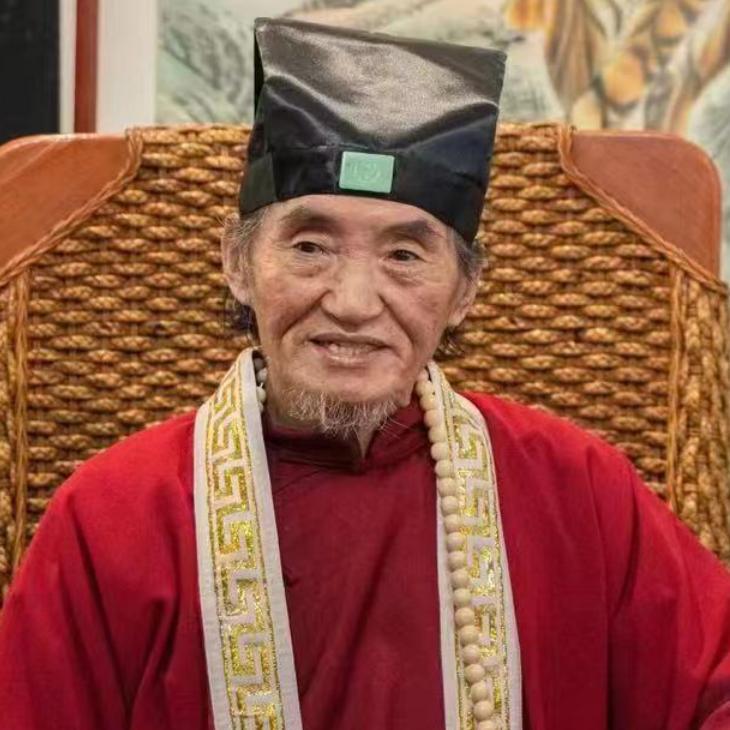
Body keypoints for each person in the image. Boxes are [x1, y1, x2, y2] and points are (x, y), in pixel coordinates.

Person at [1, 17, 729, 730]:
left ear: (466, 291)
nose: (352, 303)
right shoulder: (115, 520)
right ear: (237, 264)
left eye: (404, 256)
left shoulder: (577, 494)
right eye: (310, 247)